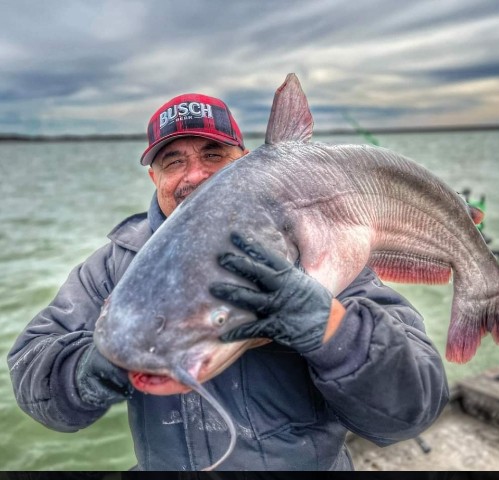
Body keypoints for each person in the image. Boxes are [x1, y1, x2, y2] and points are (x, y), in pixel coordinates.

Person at [7, 91, 449, 471]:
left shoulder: (319, 247)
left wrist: (329, 330)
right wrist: (99, 367)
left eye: (213, 155)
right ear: (154, 177)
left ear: (246, 161)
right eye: (173, 161)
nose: (194, 175)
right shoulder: (115, 264)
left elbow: (412, 409)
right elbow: (33, 376)